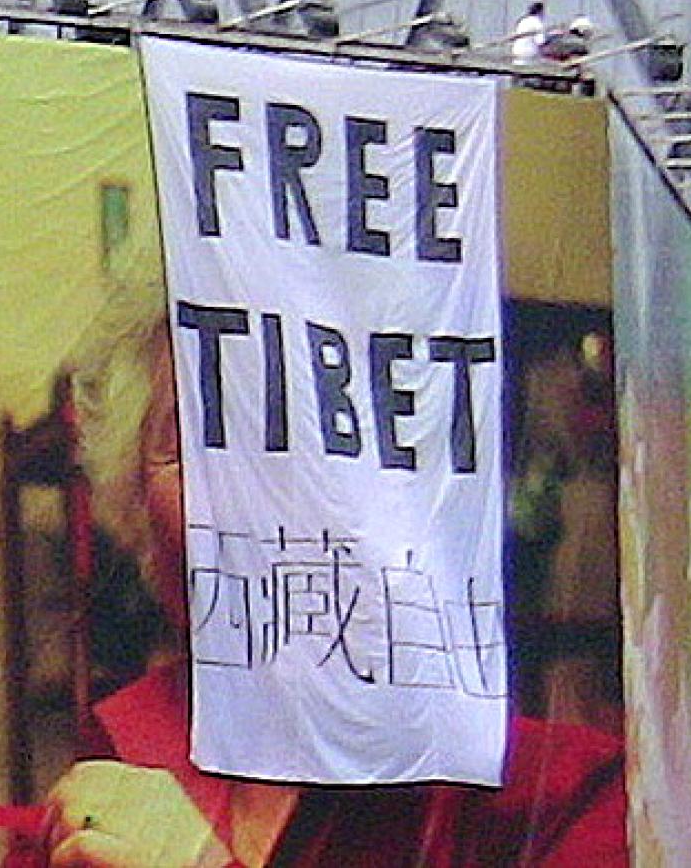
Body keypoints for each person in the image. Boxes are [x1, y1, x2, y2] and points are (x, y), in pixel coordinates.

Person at [41, 280, 627, 867]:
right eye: (206, 435)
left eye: (316, 430)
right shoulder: (107, 766)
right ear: (134, 499)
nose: (263, 491)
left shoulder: (569, 799)